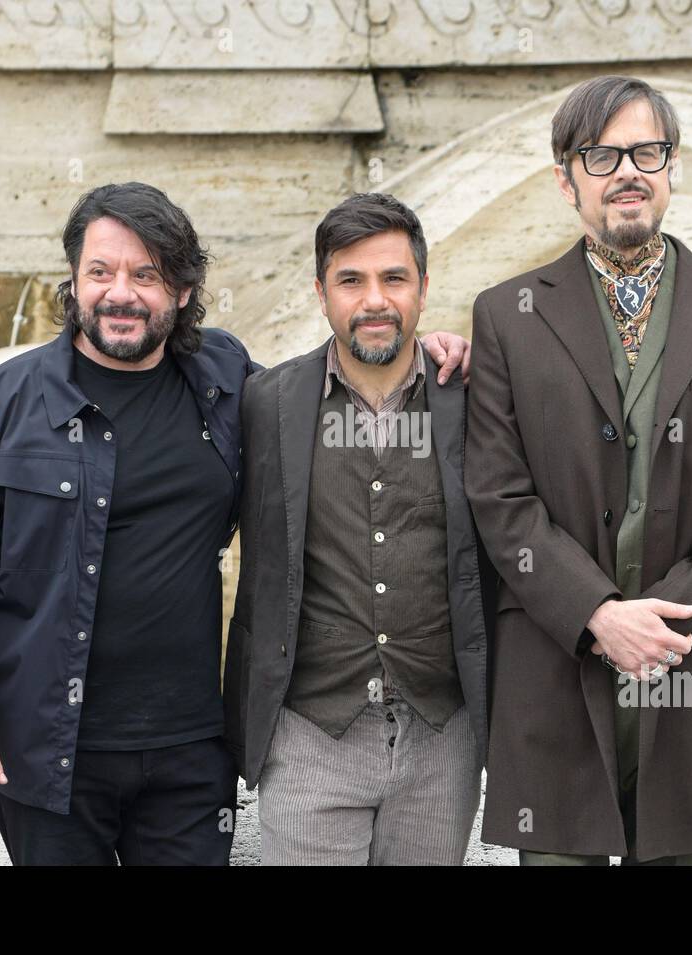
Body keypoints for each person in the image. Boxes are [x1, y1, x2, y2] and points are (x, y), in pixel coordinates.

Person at [0, 181, 471, 864]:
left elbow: (337, 390)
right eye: (101, 272)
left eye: (147, 274)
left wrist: (420, 350)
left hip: (192, 752)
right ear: (73, 281)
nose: (122, 293)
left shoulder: (227, 382)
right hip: (46, 749)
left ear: (180, 289)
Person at [465, 76, 692, 865]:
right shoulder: (506, 316)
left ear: (673, 167)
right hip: (554, 668)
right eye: (602, 153)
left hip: (689, 670)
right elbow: (499, 496)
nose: (627, 170)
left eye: (647, 150)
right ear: (565, 178)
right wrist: (599, 615)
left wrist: (663, 623)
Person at [224, 193, 492, 865]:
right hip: (310, 736)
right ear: (321, 293)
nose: (375, 299)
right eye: (351, 280)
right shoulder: (266, 401)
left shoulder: (478, 397)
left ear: (424, 291)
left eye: (394, 278)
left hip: (443, 739)